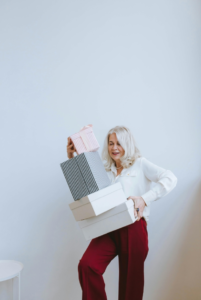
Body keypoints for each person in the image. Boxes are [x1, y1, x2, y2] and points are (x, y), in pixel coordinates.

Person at [66, 126, 178, 300]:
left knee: (130, 285)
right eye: (111, 143)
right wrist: (72, 156)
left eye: (119, 143)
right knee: (87, 266)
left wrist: (144, 198)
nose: (114, 147)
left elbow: (170, 178)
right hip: (108, 227)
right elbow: (85, 190)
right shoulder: (105, 170)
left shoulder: (140, 164)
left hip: (133, 227)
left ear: (128, 144)